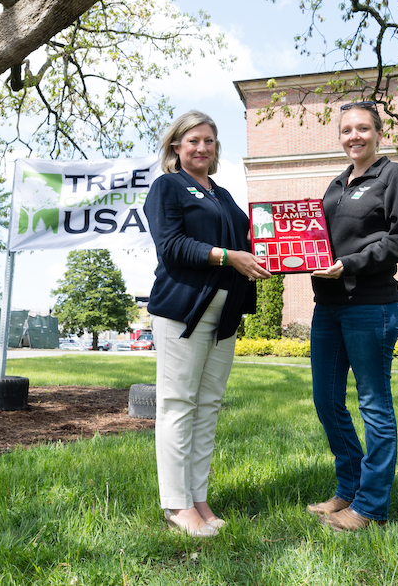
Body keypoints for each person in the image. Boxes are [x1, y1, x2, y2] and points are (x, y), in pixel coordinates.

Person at [144, 110, 271, 538]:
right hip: (182, 311)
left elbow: (251, 244)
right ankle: (176, 505)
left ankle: (198, 497)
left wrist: (288, 251)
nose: (201, 148)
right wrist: (226, 256)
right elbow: (172, 246)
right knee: (178, 404)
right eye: (193, 140)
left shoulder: (224, 196)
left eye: (209, 141)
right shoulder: (168, 188)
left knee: (208, 406)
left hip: (226, 314)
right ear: (176, 147)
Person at [307, 101, 398, 531]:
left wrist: (350, 264)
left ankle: (370, 507)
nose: (354, 136)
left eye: (363, 129)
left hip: (372, 306)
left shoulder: (393, 176)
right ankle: (348, 487)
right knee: (327, 401)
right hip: (328, 308)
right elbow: (312, 240)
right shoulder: (336, 184)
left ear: (378, 132)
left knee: (374, 405)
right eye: (347, 130)